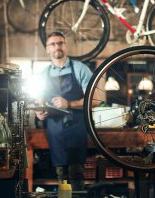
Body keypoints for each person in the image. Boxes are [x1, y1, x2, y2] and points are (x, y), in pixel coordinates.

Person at [35, 31, 92, 194]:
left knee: (77, 174)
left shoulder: (80, 69)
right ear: (47, 49)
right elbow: (40, 103)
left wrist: (69, 103)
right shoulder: (43, 75)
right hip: (55, 130)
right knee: (61, 175)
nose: (57, 47)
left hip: (77, 127)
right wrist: (40, 113)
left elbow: (93, 101)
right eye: (52, 44)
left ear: (66, 46)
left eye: (60, 43)